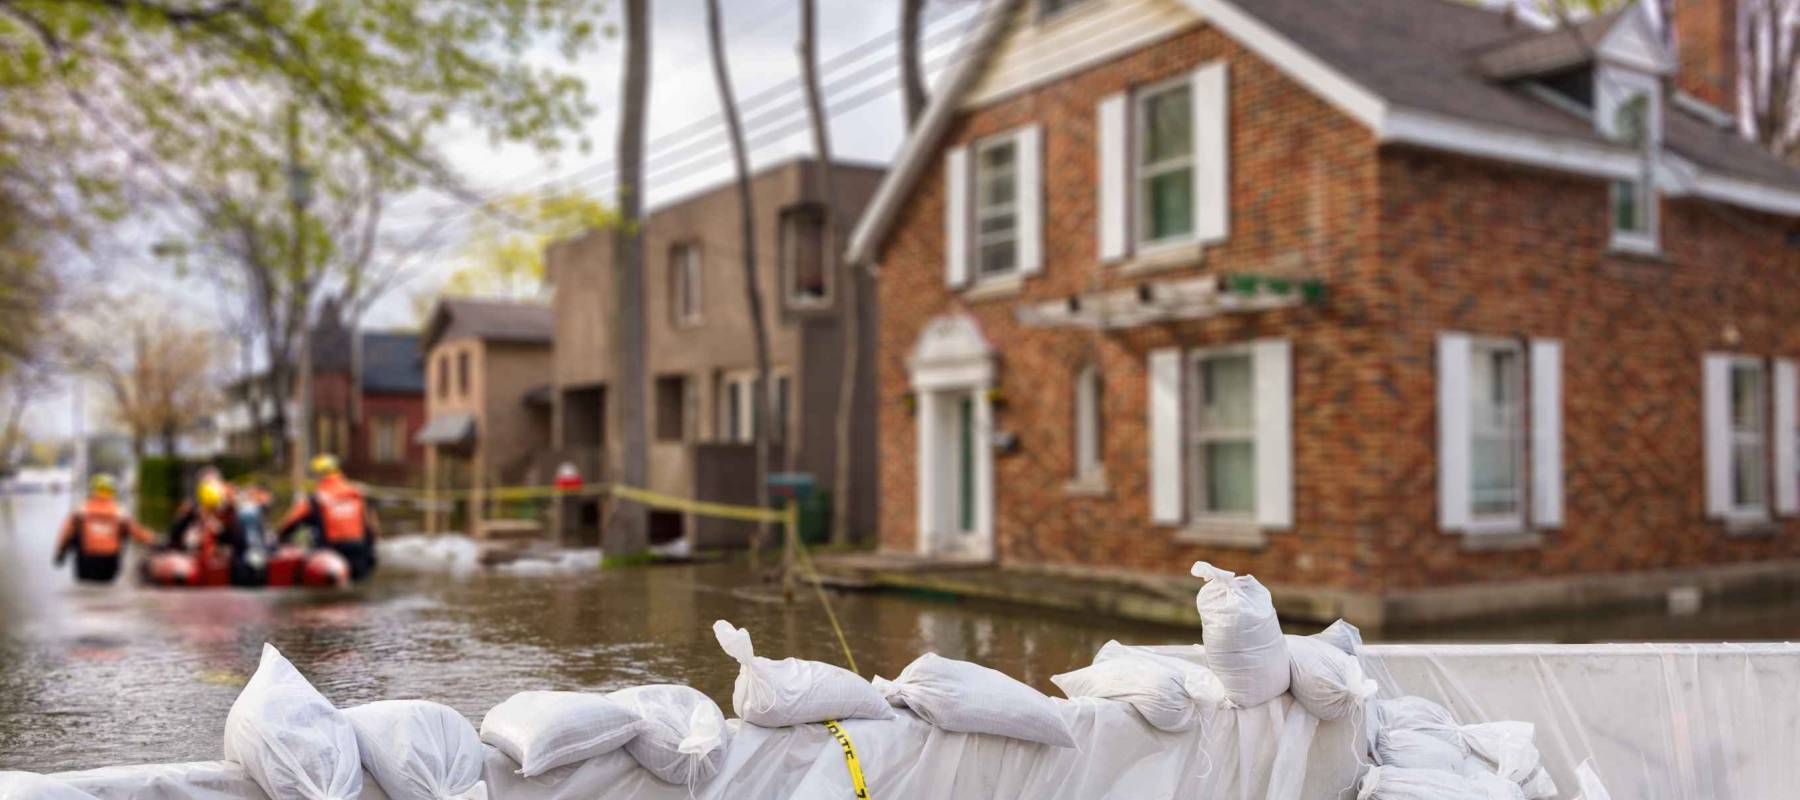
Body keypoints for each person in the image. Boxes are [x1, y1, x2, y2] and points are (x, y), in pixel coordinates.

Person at [278, 454, 380, 581]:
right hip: (361, 551)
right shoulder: (357, 494)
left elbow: (287, 525)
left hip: (332, 553)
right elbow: (372, 526)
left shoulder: (315, 499)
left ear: (318, 476)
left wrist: (282, 543)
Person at [54, 474, 154, 583]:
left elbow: (66, 534)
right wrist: (155, 541)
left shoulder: (80, 511)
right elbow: (138, 532)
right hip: (110, 563)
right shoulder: (120, 513)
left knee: (75, 530)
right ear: (112, 492)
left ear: (92, 491)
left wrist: (60, 553)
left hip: (85, 563)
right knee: (124, 529)